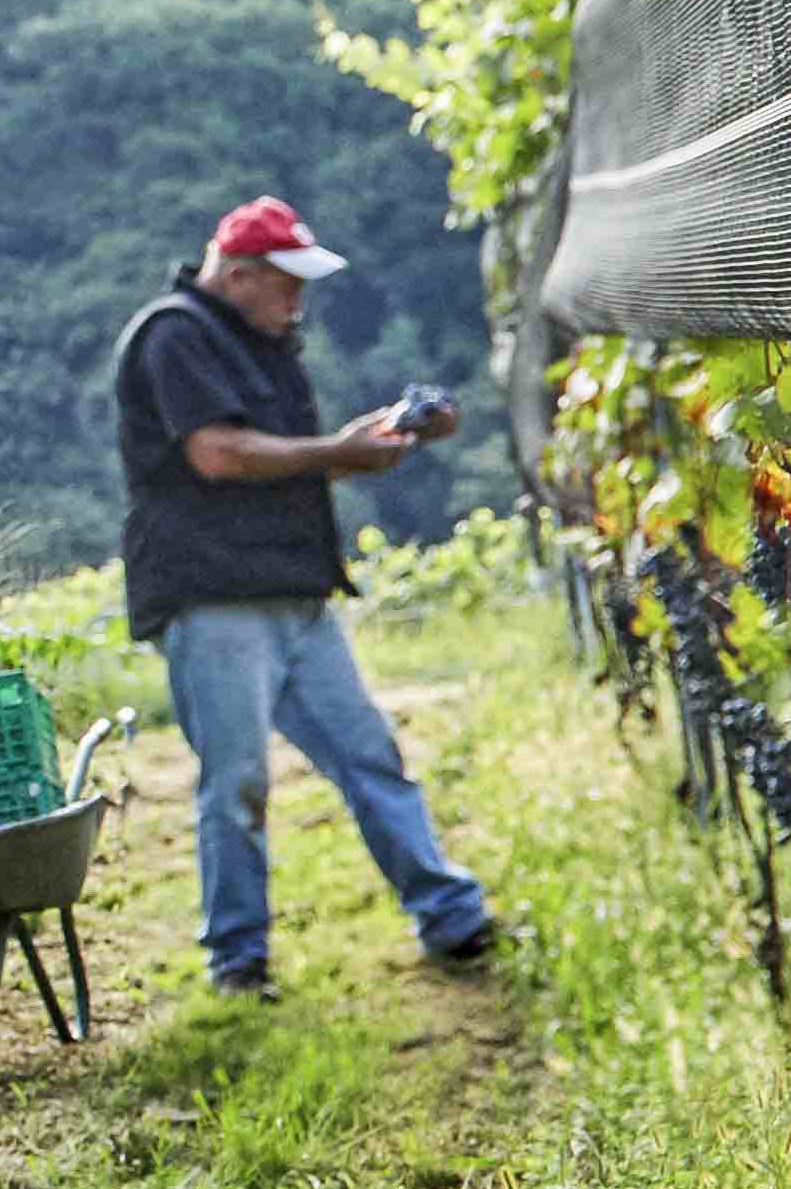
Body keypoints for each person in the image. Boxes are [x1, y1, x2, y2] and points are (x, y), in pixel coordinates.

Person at [106, 196, 501, 995]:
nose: (299, 301)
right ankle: (238, 959)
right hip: (213, 595)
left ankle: (450, 916)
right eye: (287, 284)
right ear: (239, 273)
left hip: (294, 591)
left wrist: (375, 436)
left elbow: (287, 452)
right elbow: (216, 453)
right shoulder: (175, 335)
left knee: (369, 756)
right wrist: (340, 453)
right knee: (238, 782)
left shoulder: (263, 340)